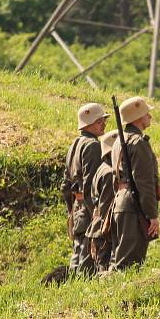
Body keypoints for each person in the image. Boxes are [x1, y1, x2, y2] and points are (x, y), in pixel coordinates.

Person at [109, 96, 160, 270]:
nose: (150, 117)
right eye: (147, 113)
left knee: (119, 261)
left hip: (120, 202)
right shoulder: (138, 142)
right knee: (129, 265)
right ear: (138, 117)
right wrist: (152, 215)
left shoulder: (119, 140)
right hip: (133, 206)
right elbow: (144, 182)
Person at [62, 102, 108, 274]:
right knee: (88, 257)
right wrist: (96, 211)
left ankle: (73, 286)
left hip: (78, 206)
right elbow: (91, 184)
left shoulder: (74, 144)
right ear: (88, 123)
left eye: (103, 120)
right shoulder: (93, 145)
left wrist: (71, 210)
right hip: (88, 208)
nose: (103, 123)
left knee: (79, 252)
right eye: (99, 121)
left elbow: (65, 185)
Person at [85, 130, 118, 273]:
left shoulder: (102, 168)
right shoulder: (110, 172)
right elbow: (106, 206)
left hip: (97, 226)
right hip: (103, 229)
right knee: (104, 270)